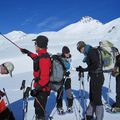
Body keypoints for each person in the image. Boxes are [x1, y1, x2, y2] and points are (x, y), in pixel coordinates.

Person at [20, 35, 51, 120]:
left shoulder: (44, 58)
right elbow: (36, 58)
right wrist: (27, 52)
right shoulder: (41, 55)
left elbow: (45, 78)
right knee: (37, 108)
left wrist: (36, 89)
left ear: (39, 45)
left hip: (42, 89)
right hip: (40, 88)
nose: (35, 45)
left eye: (35, 43)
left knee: (40, 111)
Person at [76, 41, 104, 120]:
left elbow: (95, 65)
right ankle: (89, 115)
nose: (80, 52)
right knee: (92, 97)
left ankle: (99, 118)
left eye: (80, 50)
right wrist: (83, 69)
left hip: (97, 77)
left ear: (82, 47)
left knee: (97, 98)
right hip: (95, 76)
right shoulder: (90, 51)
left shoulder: (91, 51)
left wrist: (85, 69)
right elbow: (93, 65)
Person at [56, 46, 73, 114]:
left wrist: (69, 71)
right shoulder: (60, 58)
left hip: (68, 78)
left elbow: (70, 67)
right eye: (66, 53)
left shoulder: (70, 58)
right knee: (60, 92)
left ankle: (70, 106)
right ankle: (59, 106)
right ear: (63, 53)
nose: (68, 54)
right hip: (60, 78)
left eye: (68, 52)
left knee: (68, 92)